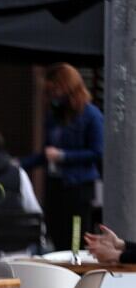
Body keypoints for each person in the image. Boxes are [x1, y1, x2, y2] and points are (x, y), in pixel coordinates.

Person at [22, 63, 103, 251]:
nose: (53, 97)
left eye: (55, 91)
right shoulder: (54, 117)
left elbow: (97, 152)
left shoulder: (91, 115)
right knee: (55, 233)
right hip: (55, 186)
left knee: (75, 237)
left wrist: (63, 156)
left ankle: (77, 270)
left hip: (78, 187)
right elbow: (45, 153)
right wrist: (19, 165)